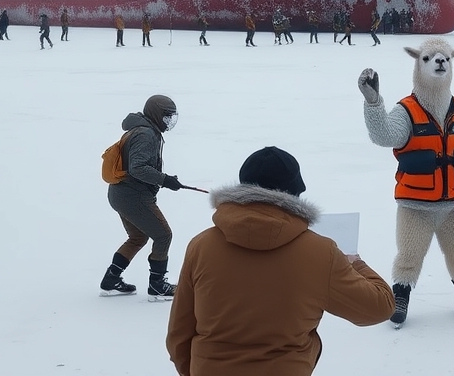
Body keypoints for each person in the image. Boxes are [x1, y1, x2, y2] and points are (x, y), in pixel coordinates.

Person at [166, 146, 395, 375]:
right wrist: (356, 264)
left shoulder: (201, 246)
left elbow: (179, 334)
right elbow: (380, 308)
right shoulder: (321, 252)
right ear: (295, 193)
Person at [358, 38, 454, 326]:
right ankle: (401, 296)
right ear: (418, 63)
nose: (439, 61)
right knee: (409, 255)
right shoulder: (407, 110)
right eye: (429, 58)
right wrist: (373, 103)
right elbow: (385, 135)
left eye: (445, 57)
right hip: (416, 205)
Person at [99, 94, 185, 298]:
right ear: (156, 114)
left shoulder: (141, 129)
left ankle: (111, 279)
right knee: (163, 235)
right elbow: (138, 168)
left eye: (171, 117)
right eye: (166, 117)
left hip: (120, 194)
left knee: (138, 237)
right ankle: (157, 285)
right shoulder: (146, 134)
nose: (169, 122)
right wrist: (165, 180)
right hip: (132, 196)